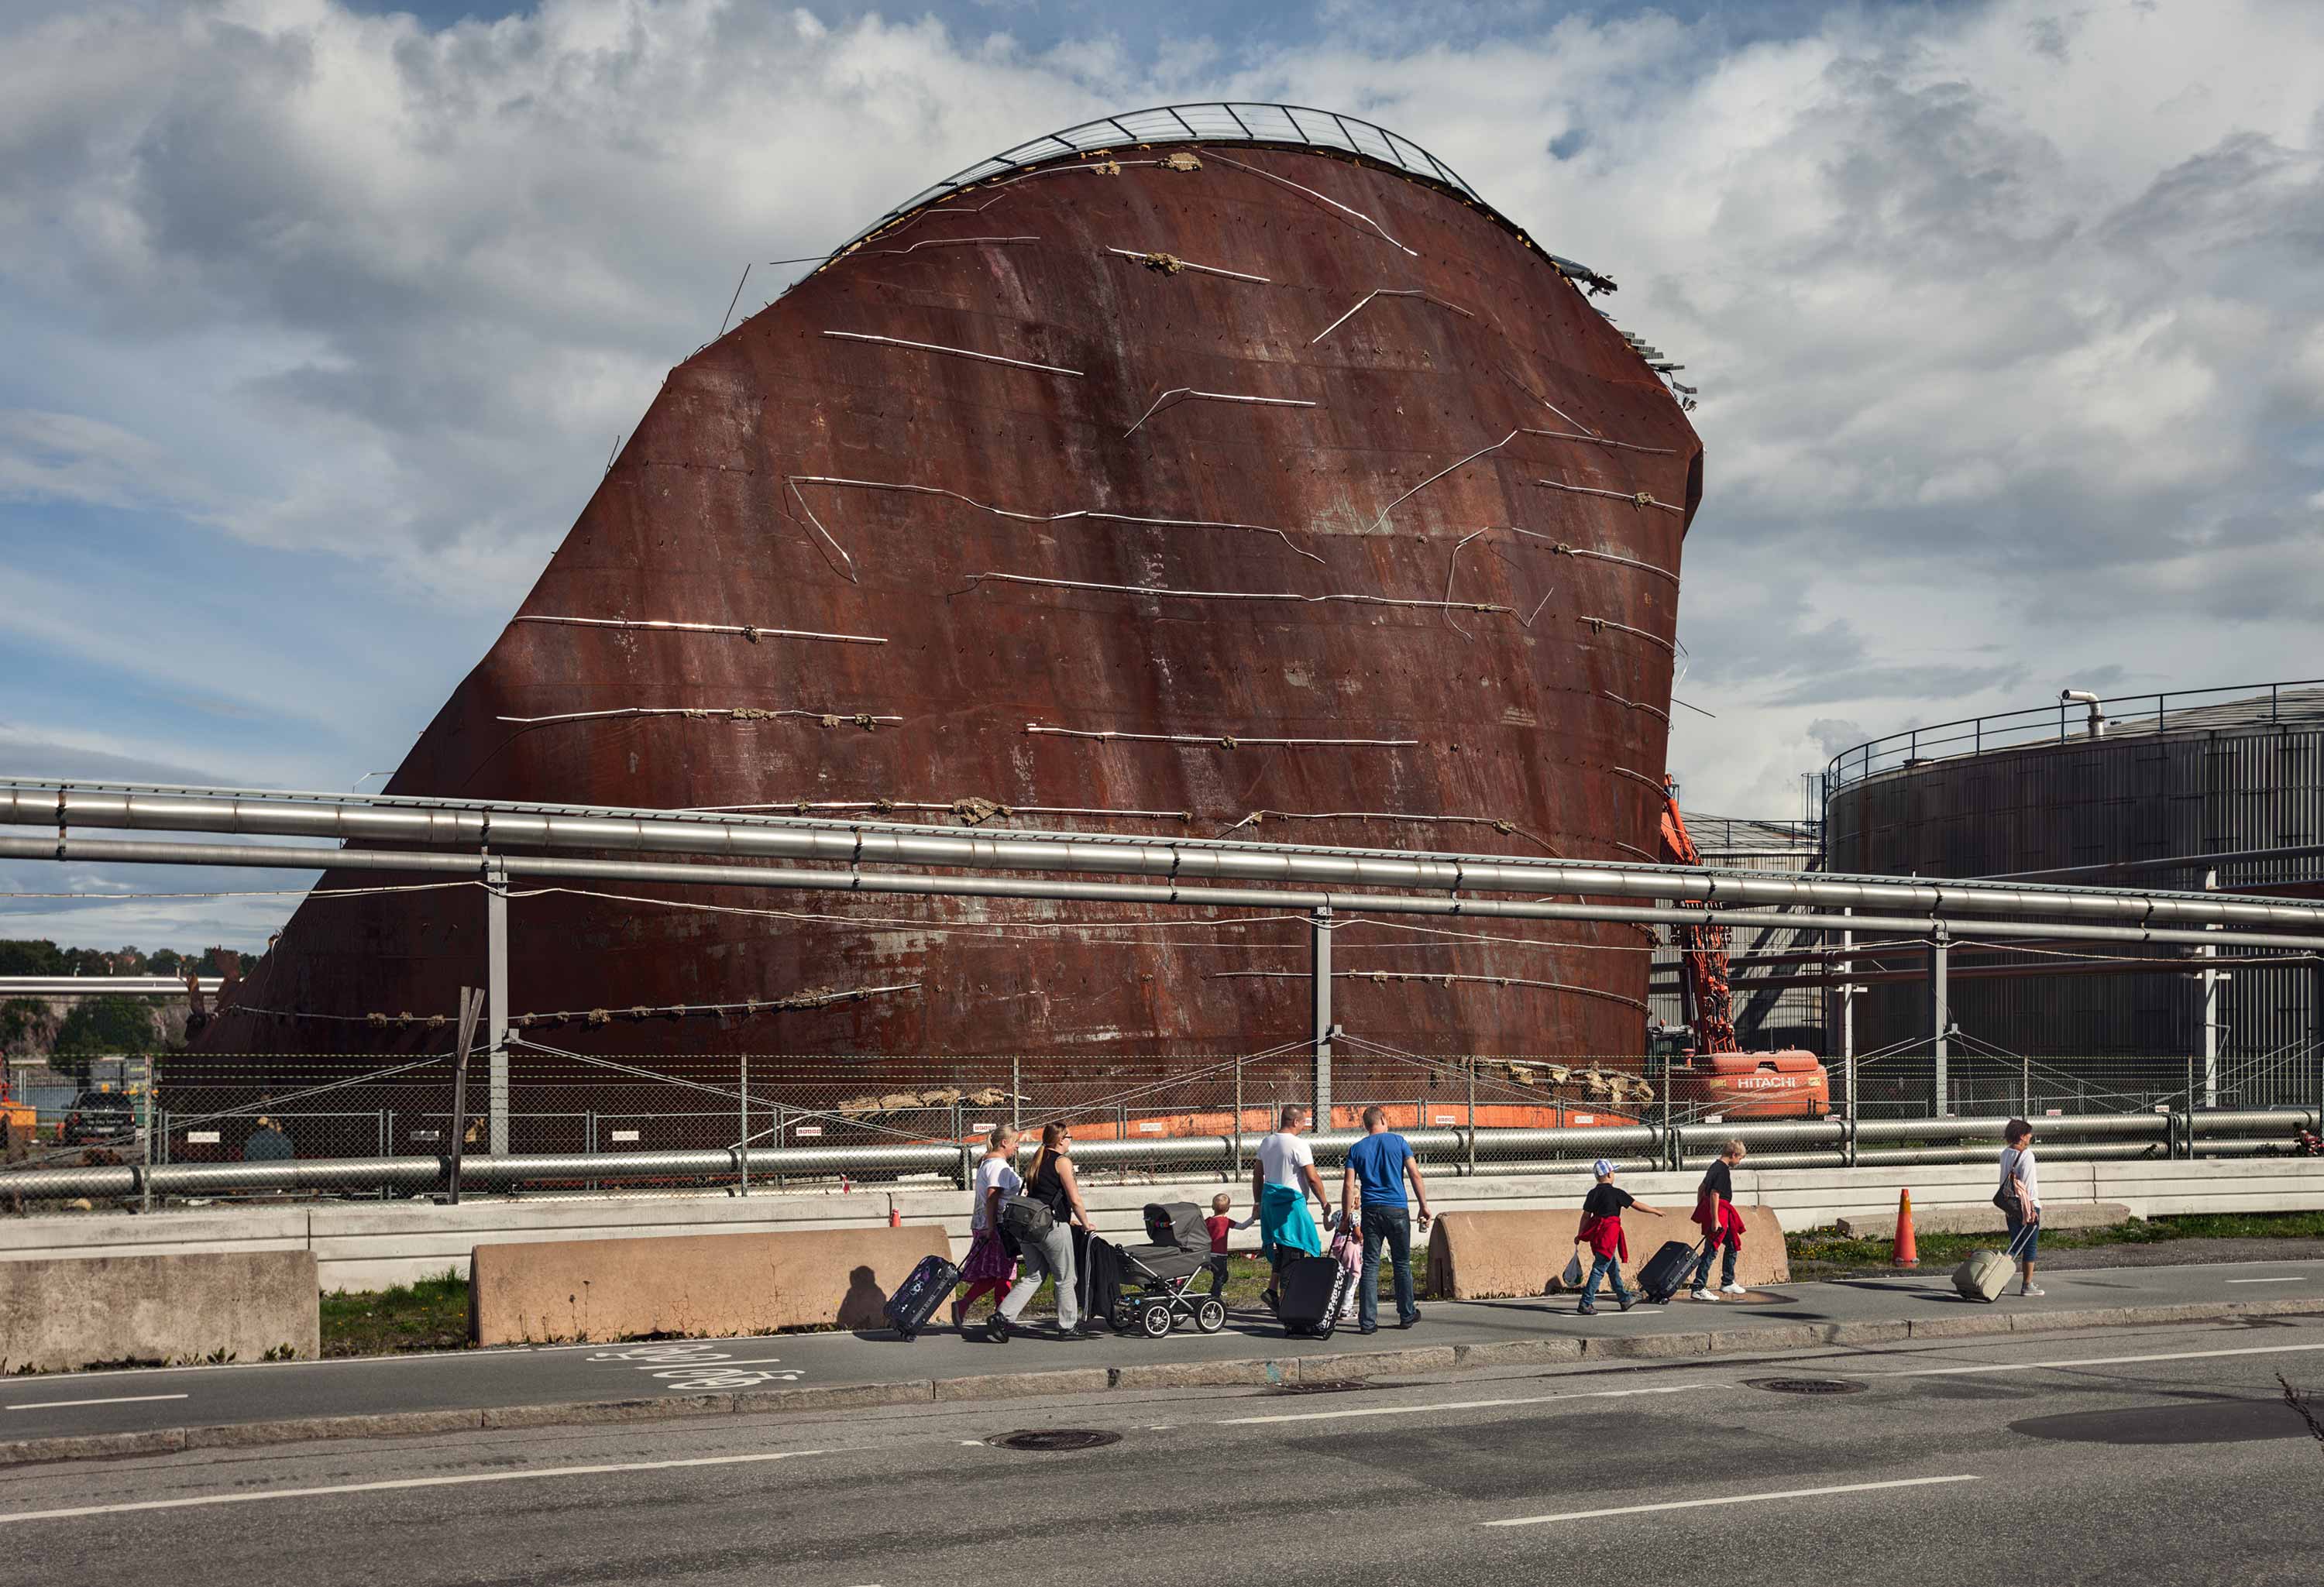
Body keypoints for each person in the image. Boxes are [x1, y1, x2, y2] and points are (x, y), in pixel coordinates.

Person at [988, 1123, 1095, 1341]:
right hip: (1052, 1227)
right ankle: (1067, 1326)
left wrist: (1070, 1219)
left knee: (1035, 1275)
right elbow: (1074, 1198)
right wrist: (1086, 1223)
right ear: (1060, 1140)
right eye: (1069, 1137)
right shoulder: (1061, 1161)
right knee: (1066, 1277)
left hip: (1029, 1227)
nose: (1071, 1140)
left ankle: (1001, 1316)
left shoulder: (1038, 1158)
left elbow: (1042, 1195)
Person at [1340, 1105, 1433, 1333]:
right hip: (1397, 1210)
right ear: (1382, 1119)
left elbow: (1348, 1185)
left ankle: (1368, 1322)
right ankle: (1407, 1314)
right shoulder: (1399, 1142)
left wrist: (1346, 1217)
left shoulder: (1356, 1149)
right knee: (1401, 1264)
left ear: (1365, 1124)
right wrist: (1423, 1206)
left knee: (1370, 1265)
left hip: (1371, 1211)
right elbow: (1414, 1174)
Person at [1253, 1104, 1332, 1312]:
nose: (1304, 1127)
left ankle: (1272, 1290)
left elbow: (1257, 1176)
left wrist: (1258, 1203)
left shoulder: (1267, 1142)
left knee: (1282, 1247)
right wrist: (1324, 1202)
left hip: (1271, 1202)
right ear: (1295, 1121)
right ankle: (1290, 1301)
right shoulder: (1299, 1145)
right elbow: (1312, 1178)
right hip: (1290, 1205)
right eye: (1304, 1122)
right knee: (1295, 1251)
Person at [1574, 1158, 1666, 1315]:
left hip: (1597, 1235)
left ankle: (1624, 1299)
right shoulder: (1616, 1193)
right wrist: (1655, 1211)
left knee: (1612, 1268)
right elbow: (1637, 1205)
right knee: (1600, 1268)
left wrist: (1580, 1234)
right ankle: (1586, 1302)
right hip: (1608, 1236)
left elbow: (1585, 1216)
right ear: (1609, 1174)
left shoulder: (1592, 1194)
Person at [953, 1125, 1021, 1329]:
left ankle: (992, 1312)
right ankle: (1002, 1316)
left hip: (992, 1224)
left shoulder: (988, 1163)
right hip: (996, 1226)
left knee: (998, 1273)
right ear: (1004, 1143)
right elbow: (993, 1196)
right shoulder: (997, 1166)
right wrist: (992, 1227)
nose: (1017, 1147)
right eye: (1015, 1143)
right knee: (1003, 1272)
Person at [1687, 1139, 1749, 1302]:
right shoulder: (1722, 1170)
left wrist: (1703, 1208)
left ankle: (1728, 1281)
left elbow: (1702, 1188)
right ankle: (1698, 1287)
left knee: (1732, 1245)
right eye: (1740, 1158)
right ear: (1734, 1155)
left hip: (1718, 1212)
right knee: (1711, 1250)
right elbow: (1715, 1194)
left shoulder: (1714, 1166)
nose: (1739, 1162)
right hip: (1719, 1213)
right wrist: (1715, 1219)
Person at [2000, 1118, 2044, 1297]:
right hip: (2027, 1206)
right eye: (2028, 1134)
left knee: (2015, 1245)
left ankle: (1998, 1279)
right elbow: (2027, 1186)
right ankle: (2027, 1285)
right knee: (2030, 1246)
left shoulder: (2005, 1153)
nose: (2030, 1136)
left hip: (2010, 1205)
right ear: (2021, 1136)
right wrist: (2033, 1209)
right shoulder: (2027, 1155)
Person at [1204, 1192, 1255, 1299]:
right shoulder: (1226, 1222)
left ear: (1212, 1207)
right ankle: (1214, 1298)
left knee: (1221, 1276)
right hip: (1220, 1255)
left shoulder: (1208, 1221)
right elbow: (1242, 1226)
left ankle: (1213, 1293)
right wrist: (1253, 1218)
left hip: (1208, 1254)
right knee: (1221, 1277)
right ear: (1228, 1209)